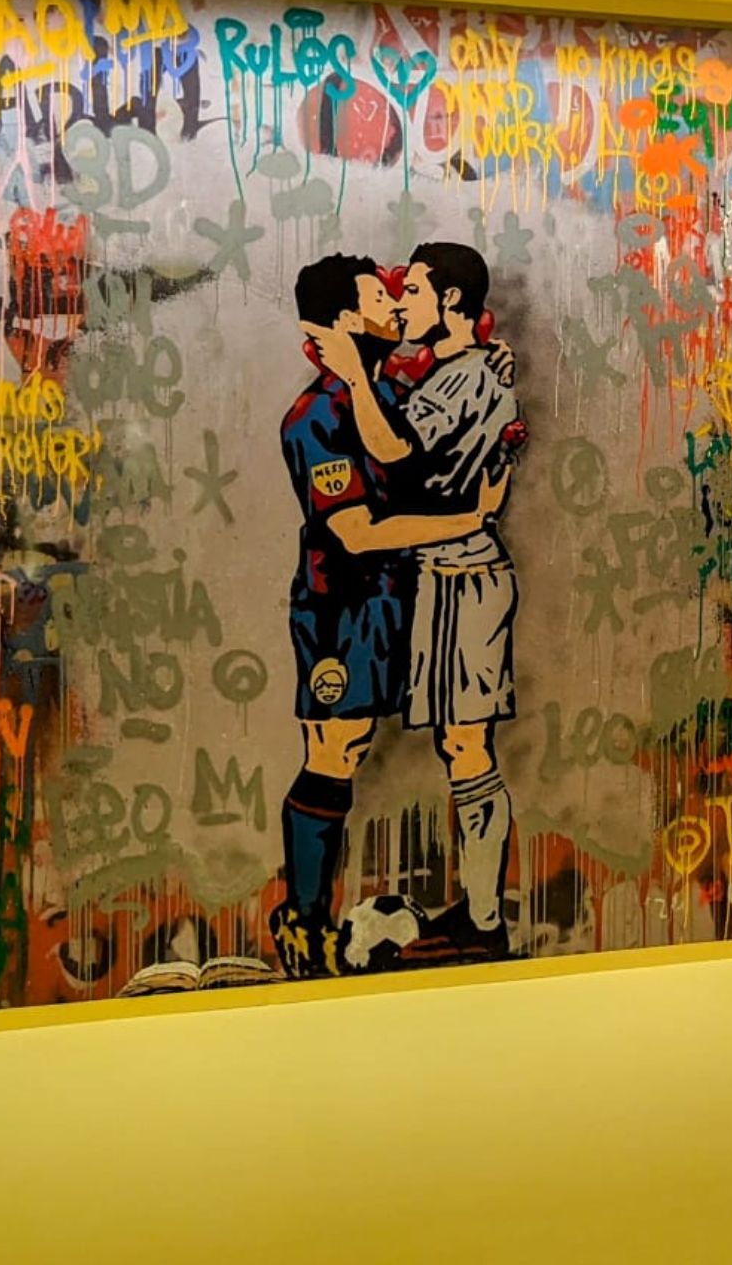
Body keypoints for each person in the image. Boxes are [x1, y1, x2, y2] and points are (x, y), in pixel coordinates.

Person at [271, 254, 508, 979]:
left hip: (405, 598)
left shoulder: (387, 394)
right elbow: (356, 532)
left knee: (458, 739)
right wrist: (470, 519)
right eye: (381, 296)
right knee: (336, 749)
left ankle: (477, 916)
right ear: (346, 319)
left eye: (403, 292)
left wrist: (485, 367)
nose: (396, 303)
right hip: (341, 607)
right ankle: (305, 922)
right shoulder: (316, 416)